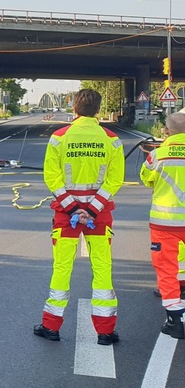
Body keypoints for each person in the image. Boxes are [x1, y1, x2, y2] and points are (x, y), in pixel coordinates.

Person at [34, 88, 125, 345]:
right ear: (98, 109)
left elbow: (52, 178)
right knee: (102, 270)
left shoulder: (59, 138)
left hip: (66, 215)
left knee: (62, 269)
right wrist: (93, 209)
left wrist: (74, 209)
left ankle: (51, 327)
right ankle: (105, 332)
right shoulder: (112, 140)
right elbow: (114, 180)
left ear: (74, 108)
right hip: (100, 215)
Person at [140, 111, 185, 338]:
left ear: (166, 131)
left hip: (165, 222)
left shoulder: (158, 155)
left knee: (167, 270)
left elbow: (146, 178)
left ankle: (174, 321)